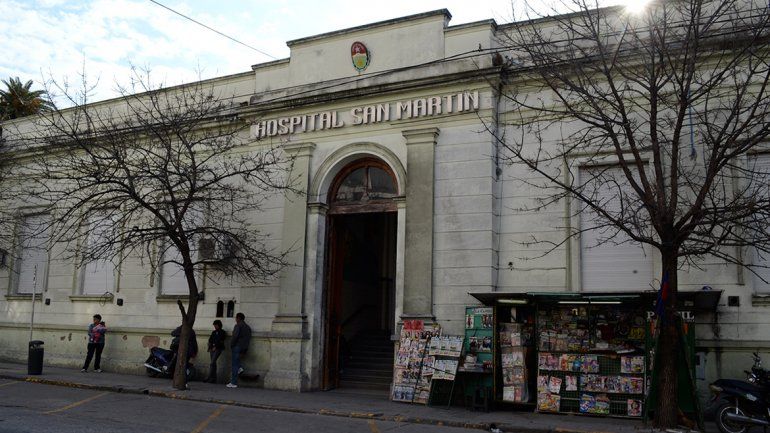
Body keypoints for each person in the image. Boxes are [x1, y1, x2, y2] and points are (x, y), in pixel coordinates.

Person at [227, 312, 251, 388]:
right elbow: (248, 339)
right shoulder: (248, 327)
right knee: (237, 363)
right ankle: (240, 368)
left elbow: (235, 336)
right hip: (244, 347)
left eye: (236, 318)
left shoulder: (238, 326)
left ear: (238, 318)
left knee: (234, 364)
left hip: (237, 346)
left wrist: (231, 344)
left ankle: (233, 382)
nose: (235, 319)